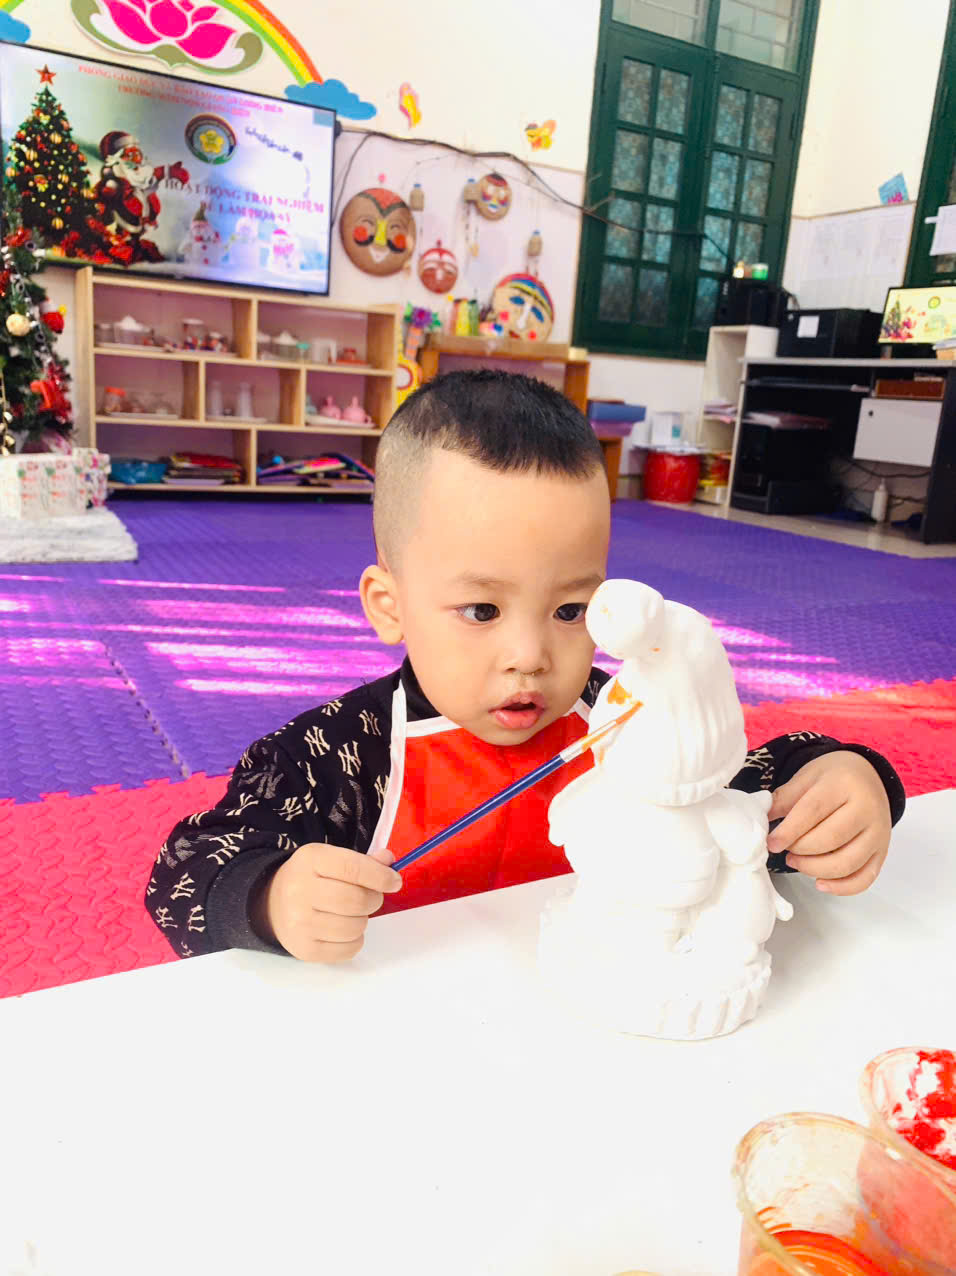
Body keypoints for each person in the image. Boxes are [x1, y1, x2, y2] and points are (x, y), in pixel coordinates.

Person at [146, 371, 904, 963]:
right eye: (482, 611)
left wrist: (845, 779)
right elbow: (180, 875)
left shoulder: (624, 720)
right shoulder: (333, 756)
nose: (531, 658)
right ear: (389, 605)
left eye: (571, 610)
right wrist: (270, 899)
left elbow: (744, 785)